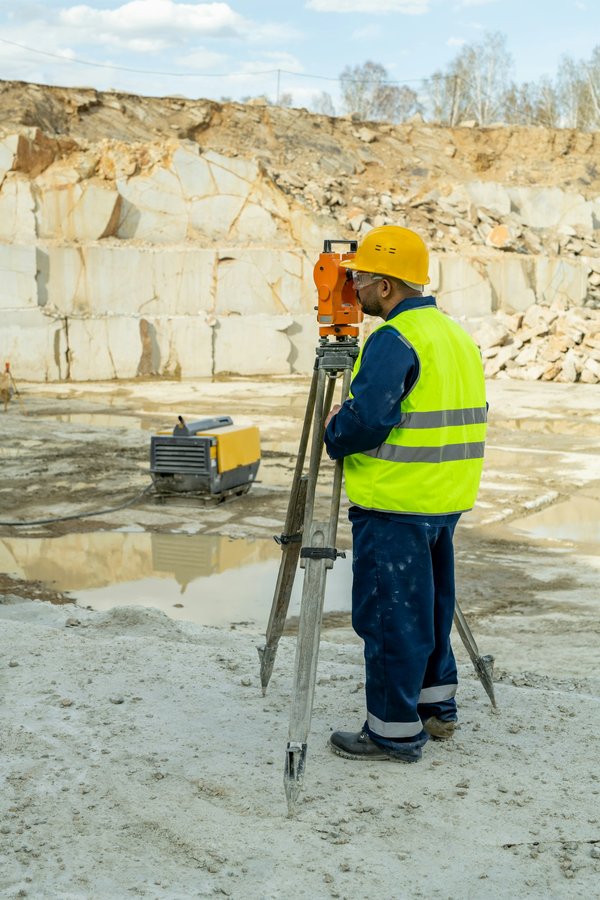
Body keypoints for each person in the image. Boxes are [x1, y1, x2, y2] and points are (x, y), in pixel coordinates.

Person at [323, 225, 487, 763]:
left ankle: (392, 732)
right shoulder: (453, 334)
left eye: (362, 281)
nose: (356, 291)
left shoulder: (394, 339)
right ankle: (436, 708)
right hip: (445, 497)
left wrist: (335, 429)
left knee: (392, 616)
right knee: (432, 607)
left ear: (387, 287)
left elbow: (368, 420)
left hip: (396, 501)